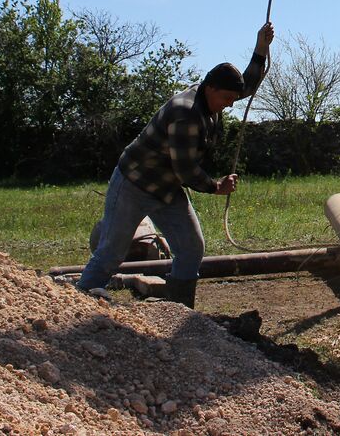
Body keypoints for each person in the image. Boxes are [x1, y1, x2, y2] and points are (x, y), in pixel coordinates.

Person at [77, 21, 275, 306]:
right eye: (227, 98)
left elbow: (247, 84)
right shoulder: (186, 113)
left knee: (191, 248)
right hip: (134, 184)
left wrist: (260, 48)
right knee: (111, 252)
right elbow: (185, 169)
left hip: (166, 188)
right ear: (210, 88)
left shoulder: (213, 97)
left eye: (233, 98)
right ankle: (79, 305)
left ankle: (180, 312)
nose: (231, 104)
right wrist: (215, 186)